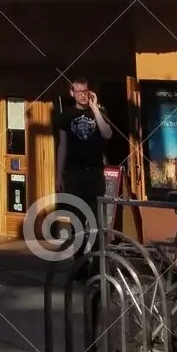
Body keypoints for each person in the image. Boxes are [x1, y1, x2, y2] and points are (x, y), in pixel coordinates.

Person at [55, 77, 113, 250]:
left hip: (94, 173)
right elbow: (62, 145)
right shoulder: (66, 115)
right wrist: (59, 175)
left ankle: (96, 265)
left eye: (85, 91)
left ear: (90, 92)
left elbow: (107, 134)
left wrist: (95, 107)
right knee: (77, 219)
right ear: (72, 93)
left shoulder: (98, 112)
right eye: (78, 91)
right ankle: (79, 266)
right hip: (74, 173)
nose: (82, 95)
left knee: (96, 220)